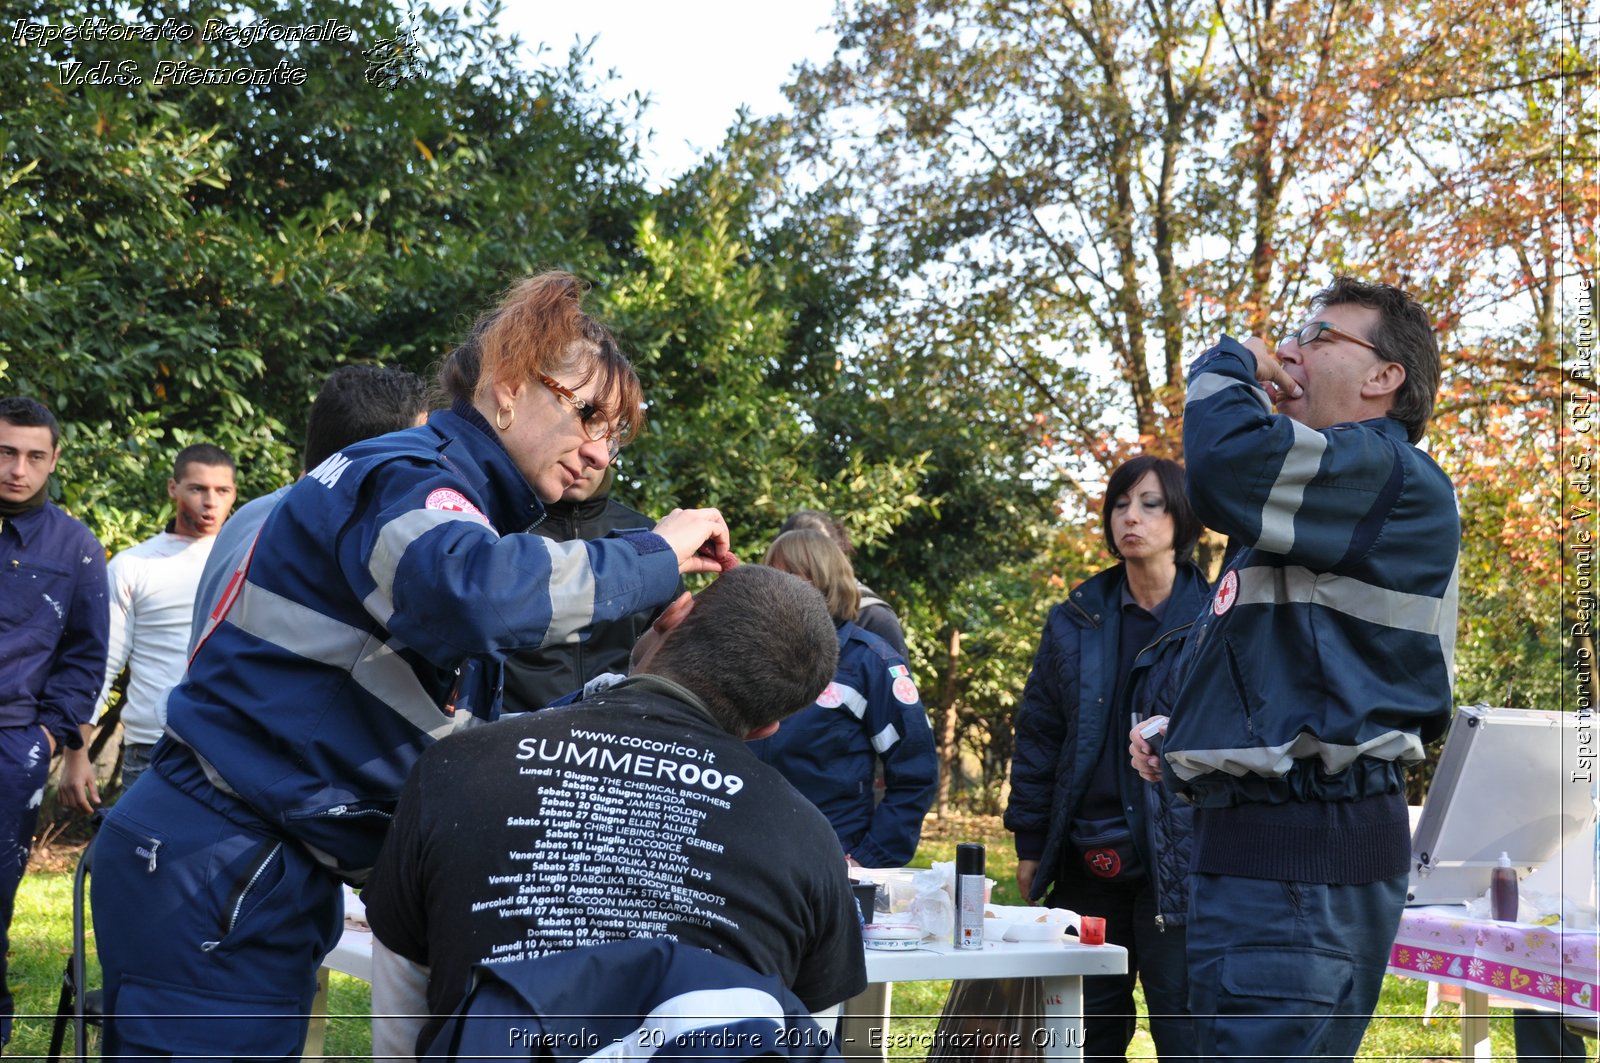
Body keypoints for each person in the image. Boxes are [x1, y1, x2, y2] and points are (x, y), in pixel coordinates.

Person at [90, 272, 738, 1058]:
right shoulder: (411, 475)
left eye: (617, 434)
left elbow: (458, 738)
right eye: (586, 413)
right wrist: (654, 552)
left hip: (243, 867)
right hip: (220, 862)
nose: (599, 450)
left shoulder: (444, 495)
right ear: (505, 387)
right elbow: (479, 595)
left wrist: (637, 670)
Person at [1130, 278, 1459, 1060]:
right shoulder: (1323, 510)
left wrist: (1227, 364)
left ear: (1385, 377)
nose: (1288, 351)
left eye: (1318, 335)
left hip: (1299, 874)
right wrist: (1189, 739)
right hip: (1262, 867)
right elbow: (1297, 675)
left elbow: (1226, 465)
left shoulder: (1387, 473)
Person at [363, 564, 869, 1057]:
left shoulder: (456, 767)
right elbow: (803, 1035)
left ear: (672, 616)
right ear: (766, 729)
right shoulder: (807, 836)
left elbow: (401, 1007)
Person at [1005, 455, 1207, 1062]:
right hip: (1088, 861)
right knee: (1085, 1036)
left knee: (1188, 1033)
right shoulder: (1075, 619)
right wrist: (1031, 843)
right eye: (1120, 504)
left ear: (1182, 518)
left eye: (1150, 504)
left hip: (1184, 860)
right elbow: (1039, 735)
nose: (1131, 517)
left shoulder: (1218, 618)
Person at [0, 396, 109, 1049]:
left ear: (54, 459)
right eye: (6, 451)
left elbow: (85, 655)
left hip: (13, 741)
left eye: (34, 455)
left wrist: (47, 736)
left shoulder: (76, 548)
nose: (18, 468)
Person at [186, 365, 429, 656]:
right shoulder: (330, 542)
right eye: (421, 445)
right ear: (381, 458)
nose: (430, 463)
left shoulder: (252, 514)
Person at [56, 444, 235, 807]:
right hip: (153, 748)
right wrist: (77, 753)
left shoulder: (249, 559)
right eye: (197, 488)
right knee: (139, 863)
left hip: (231, 747)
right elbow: (99, 666)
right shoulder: (133, 565)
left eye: (222, 491)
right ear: (173, 488)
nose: (210, 502)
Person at [751, 528, 937, 868]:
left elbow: (916, 771)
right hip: (748, 856)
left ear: (824, 580)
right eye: (771, 573)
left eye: (791, 574)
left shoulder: (870, 661)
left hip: (830, 858)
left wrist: (868, 858)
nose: (776, 585)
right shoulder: (745, 655)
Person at [502, 463, 676, 711]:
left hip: (616, 722)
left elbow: (671, 642)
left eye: (603, 442)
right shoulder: (504, 527)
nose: (584, 461)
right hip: (510, 723)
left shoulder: (647, 538)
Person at [780, 509, 910, 660]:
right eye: (792, 564)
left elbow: (894, 678)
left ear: (839, 555)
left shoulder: (874, 617)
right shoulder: (772, 613)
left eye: (818, 554)